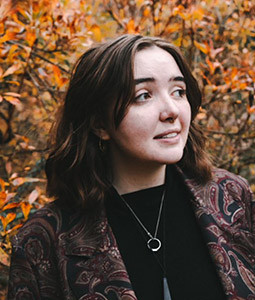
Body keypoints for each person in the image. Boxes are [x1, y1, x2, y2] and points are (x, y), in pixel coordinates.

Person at [7, 35, 255, 300]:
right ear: (99, 124)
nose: (171, 110)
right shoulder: (44, 238)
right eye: (143, 95)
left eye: (178, 91)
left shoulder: (230, 197)